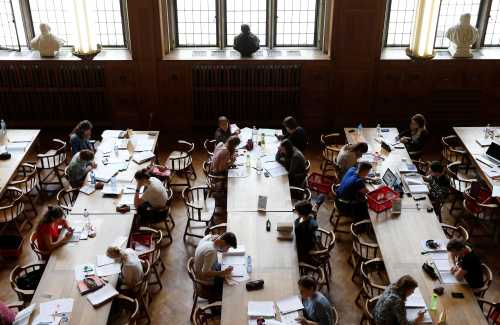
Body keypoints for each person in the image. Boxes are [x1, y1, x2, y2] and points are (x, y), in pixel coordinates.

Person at [194, 232, 238, 302]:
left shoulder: (208, 238)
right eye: (228, 247)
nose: (228, 250)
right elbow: (205, 273)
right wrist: (223, 272)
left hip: (201, 268)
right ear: (223, 242)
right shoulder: (211, 251)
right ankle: (216, 305)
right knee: (230, 288)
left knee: (225, 267)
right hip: (204, 279)